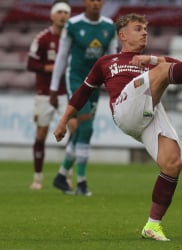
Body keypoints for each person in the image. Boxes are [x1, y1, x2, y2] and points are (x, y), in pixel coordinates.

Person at [52, 13, 182, 241]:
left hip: (149, 111)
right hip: (124, 109)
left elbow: (180, 69)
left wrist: (150, 59)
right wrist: (63, 122)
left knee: (172, 164)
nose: (144, 33)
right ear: (123, 35)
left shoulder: (153, 61)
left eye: (145, 29)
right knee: (162, 71)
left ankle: (152, 225)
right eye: (138, 29)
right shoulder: (106, 62)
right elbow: (82, 93)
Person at [50, 0, 118, 196]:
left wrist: (113, 86)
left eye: (99, 0)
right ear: (85, 2)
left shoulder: (108, 26)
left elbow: (112, 58)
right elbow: (62, 57)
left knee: (81, 129)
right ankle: (81, 182)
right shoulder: (73, 25)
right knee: (86, 127)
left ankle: (62, 175)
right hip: (77, 81)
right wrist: (54, 88)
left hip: (95, 84)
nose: (95, 3)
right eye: (91, 0)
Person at [27, 0, 71, 190]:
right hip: (44, 93)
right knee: (41, 134)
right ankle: (37, 177)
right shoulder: (43, 38)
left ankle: (66, 175)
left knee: (71, 132)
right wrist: (50, 68)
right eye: (59, 12)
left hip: (65, 92)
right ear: (53, 15)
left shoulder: (73, 37)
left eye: (66, 12)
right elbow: (30, 64)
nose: (62, 15)